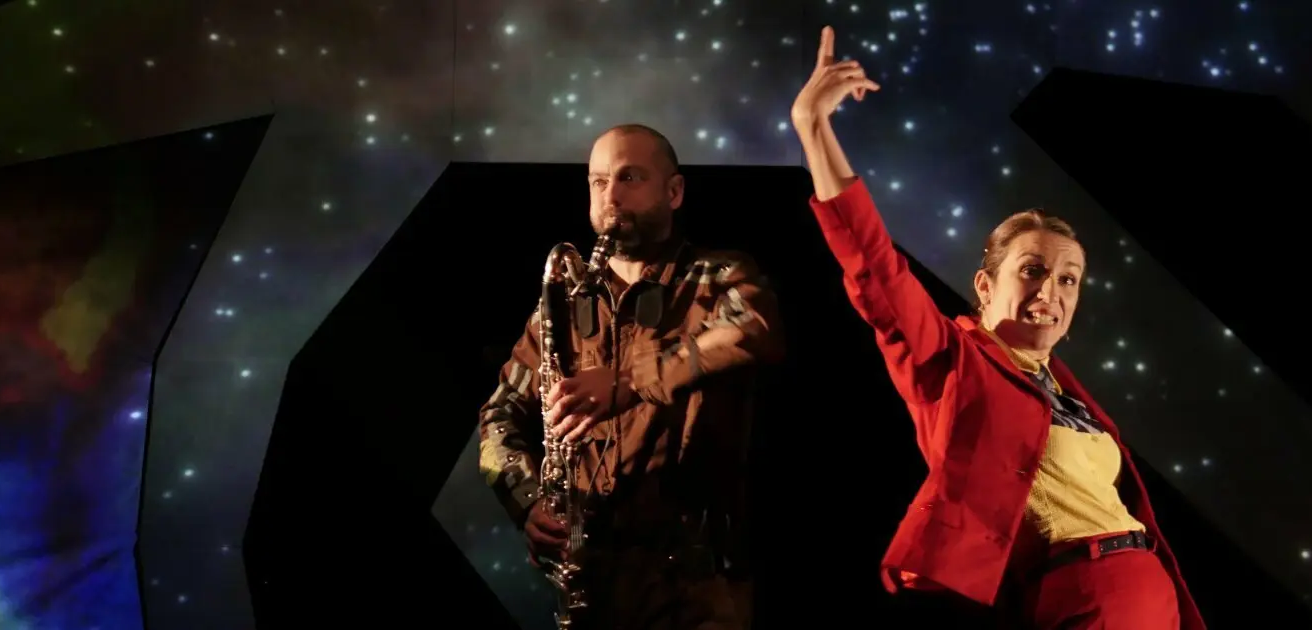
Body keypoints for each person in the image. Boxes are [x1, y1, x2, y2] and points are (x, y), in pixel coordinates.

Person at [788, 26, 1205, 630]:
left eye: (1069, 279)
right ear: (984, 286)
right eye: (1032, 270)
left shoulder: (1062, 387)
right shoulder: (951, 358)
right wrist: (814, 128)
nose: (1051, 292)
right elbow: (876, 270)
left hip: (1150, 592)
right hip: (1082, 595)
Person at [477, 123, 784, 629]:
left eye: (630, 177)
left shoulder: (718, 276)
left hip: (698, 588)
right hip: (594, 577)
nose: (611, 197)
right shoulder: (560, 305)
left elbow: (754, 330)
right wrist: (528, 504)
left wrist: (629, 381)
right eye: (599, 182)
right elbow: (500, 412)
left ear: (674, 191)